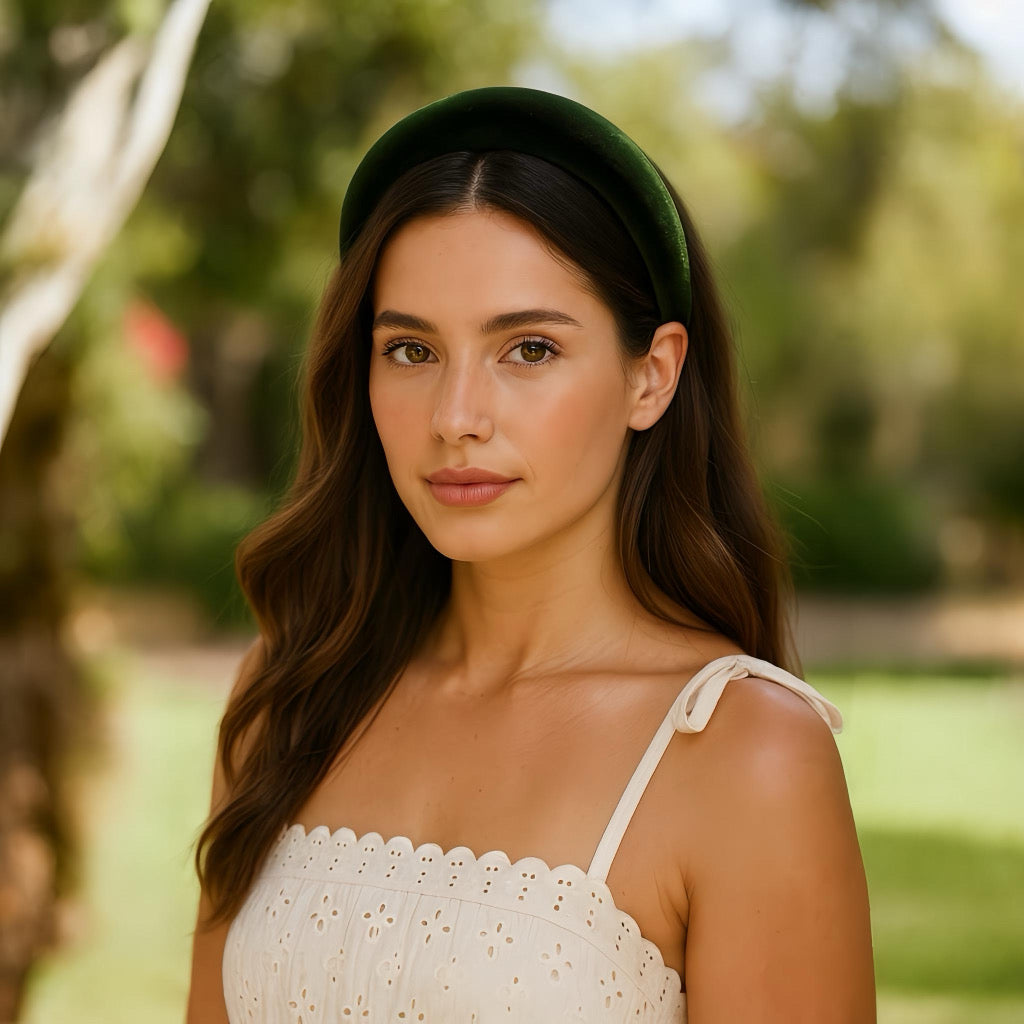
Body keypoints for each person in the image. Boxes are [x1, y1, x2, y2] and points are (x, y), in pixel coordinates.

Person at [185, 86, 876, 1023]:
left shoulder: (743, 753)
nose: (456, 419)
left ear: (652, 375)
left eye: (530, 349)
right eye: (412, 351)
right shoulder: (294, 691)